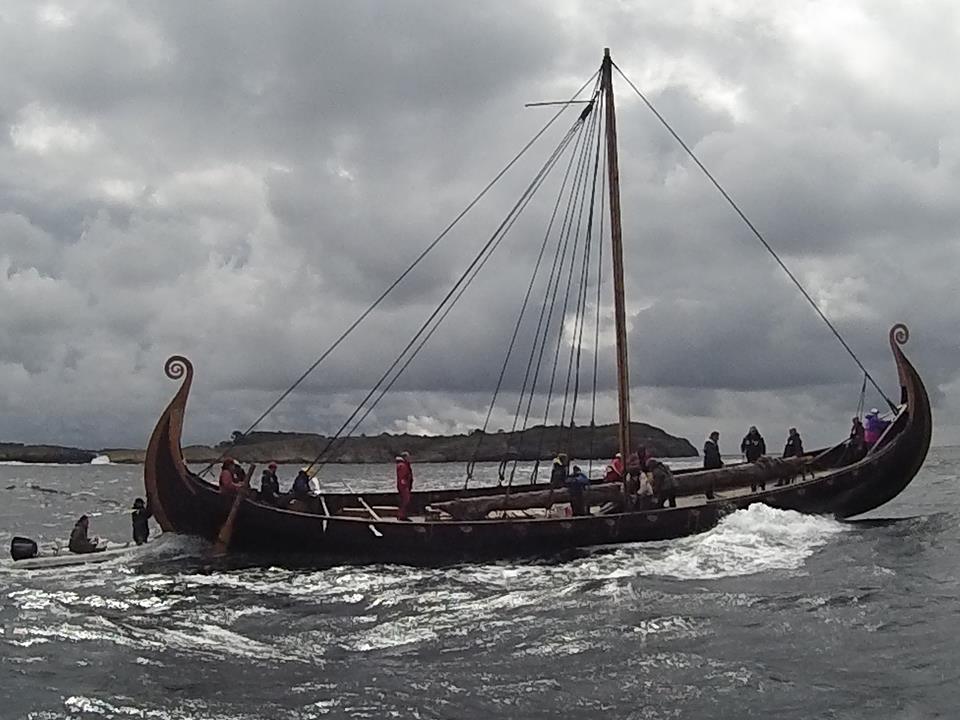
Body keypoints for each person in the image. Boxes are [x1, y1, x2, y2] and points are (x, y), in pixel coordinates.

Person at [702, 431, 723, 500]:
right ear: (713, 436)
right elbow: (712, 456)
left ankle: (710, 493)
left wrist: (720, 463)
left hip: (712, 464)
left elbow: (717, 455)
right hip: (710, 465)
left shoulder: (714, 444)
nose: (718, 438)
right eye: (717, 437)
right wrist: (718, 464)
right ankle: (709, 494)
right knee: (709, 480)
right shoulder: (709, 444)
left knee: (711, 480)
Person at [396, 452, 414, 521]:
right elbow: (402, 478)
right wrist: (404, 486)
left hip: (405, 486)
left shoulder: (405, 465)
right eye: (408, 457)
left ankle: (402, 515)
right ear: (405, 457)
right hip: (403, 487)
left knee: (405, 501)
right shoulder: (402, 465)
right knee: (405, 500)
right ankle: (401, 516)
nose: (409, 458)